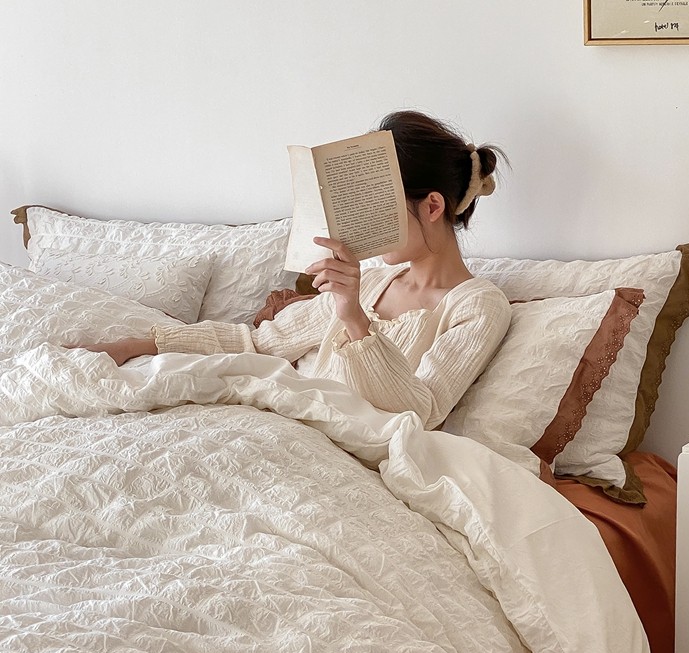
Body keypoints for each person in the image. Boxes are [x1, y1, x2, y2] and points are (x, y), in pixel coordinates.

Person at [82, 111, 512, 430]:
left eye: (377, 205)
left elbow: (422, 410)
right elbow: (259, 343)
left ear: (432, 206)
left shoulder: (477, 306)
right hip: (285, 427)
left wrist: (355, 320)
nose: (363, 219)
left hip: (338, 453)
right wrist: (138, 344)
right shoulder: (372, 282)